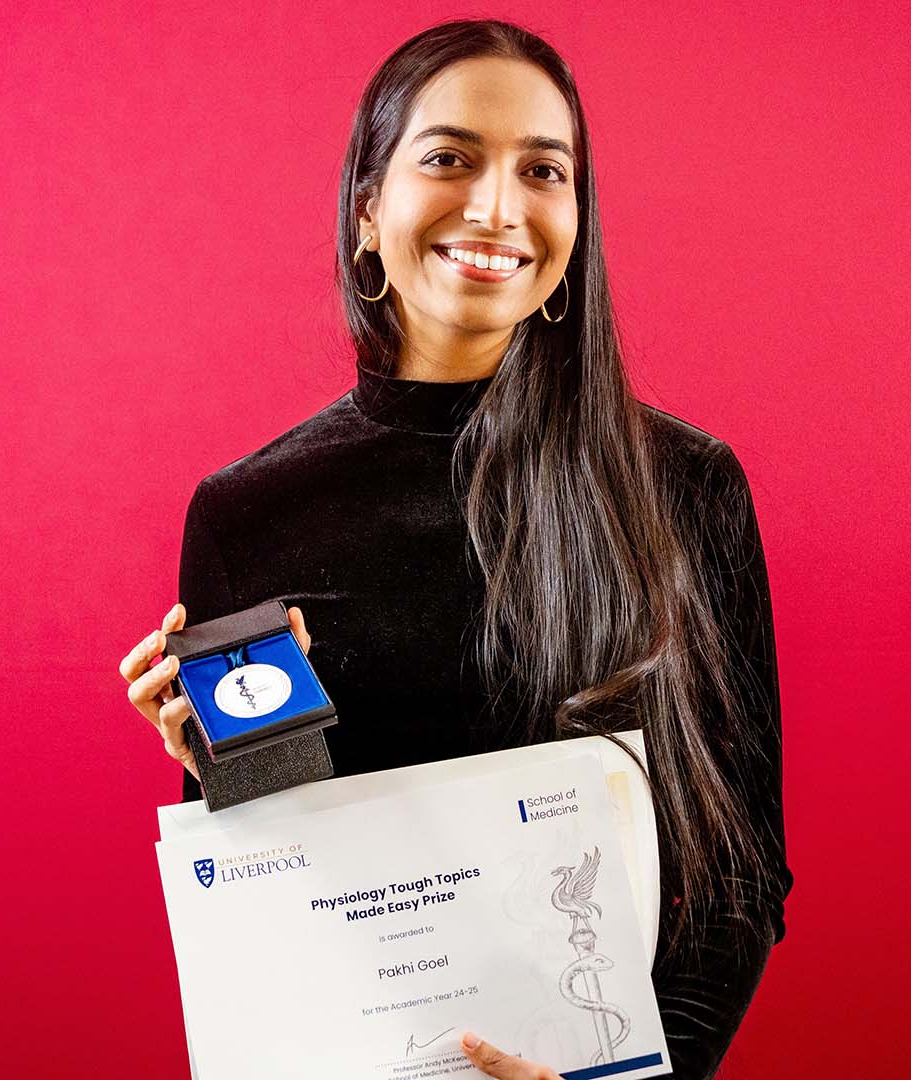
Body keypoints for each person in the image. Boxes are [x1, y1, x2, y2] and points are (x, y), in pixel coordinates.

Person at [120, 19, 791, 1079]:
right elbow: (283, 879)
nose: (496, 206)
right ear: (367, 211)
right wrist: (218, 763)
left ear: (575, 223)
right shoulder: (248, 512)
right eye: (449, 158)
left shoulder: (687, 490)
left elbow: (741, 880)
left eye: (543, 169)